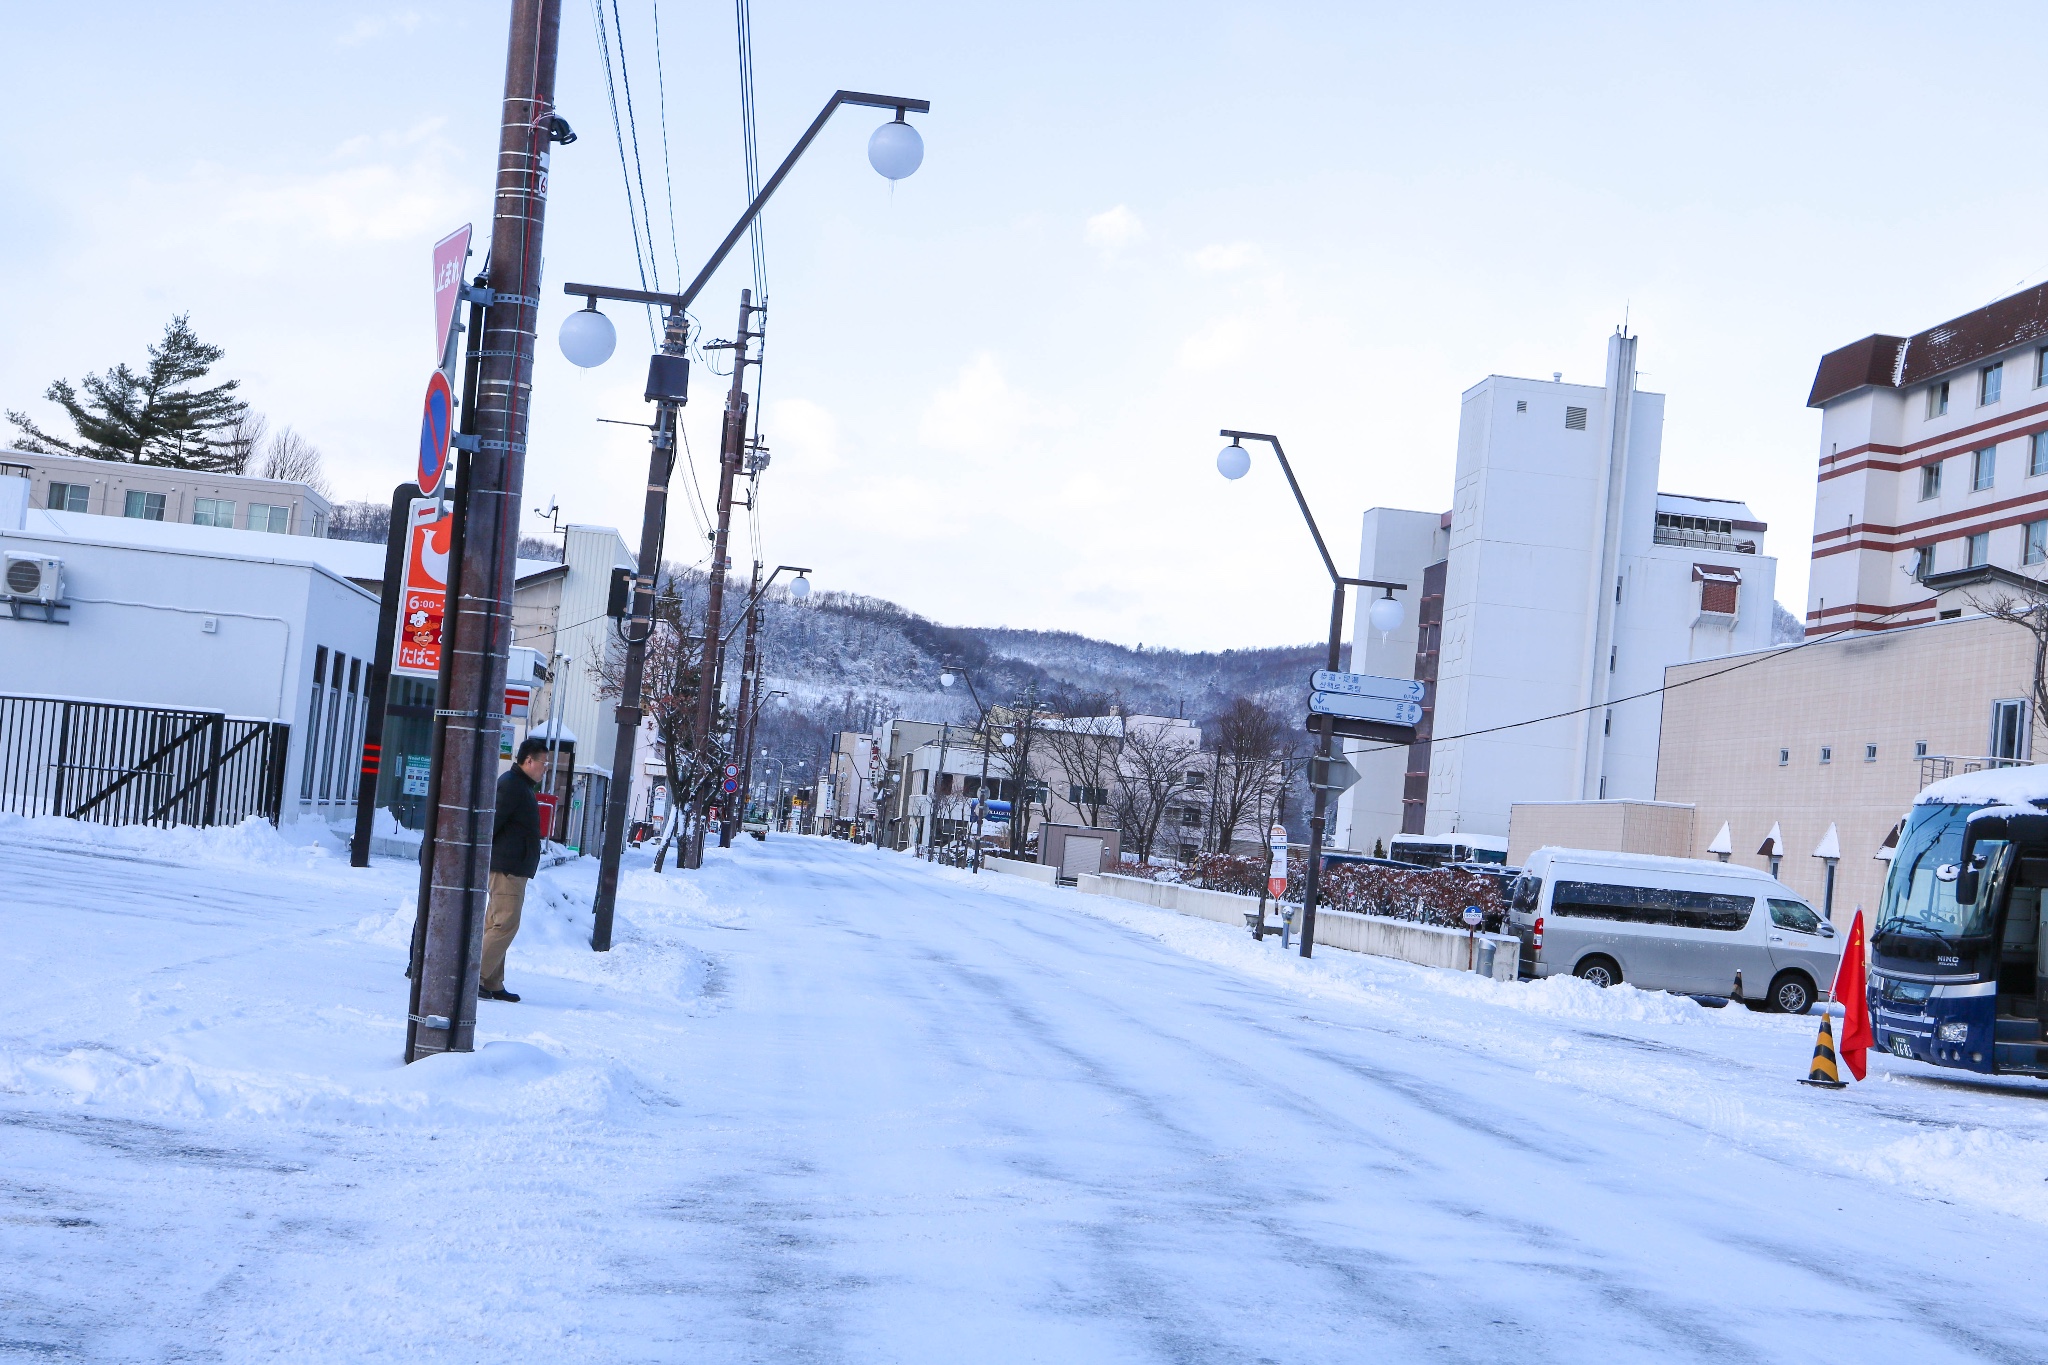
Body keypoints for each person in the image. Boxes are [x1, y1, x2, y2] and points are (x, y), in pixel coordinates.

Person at [481, 737, 549, 1002]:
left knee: (497, 924)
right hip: (507, 868)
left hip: (511, 866)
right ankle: (474, 977)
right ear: (528, 761)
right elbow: (492, 823)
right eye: (543, 763)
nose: (546, 768)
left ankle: (492, 981)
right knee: (504, 924)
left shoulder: (520, 786)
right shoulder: (511, 786)